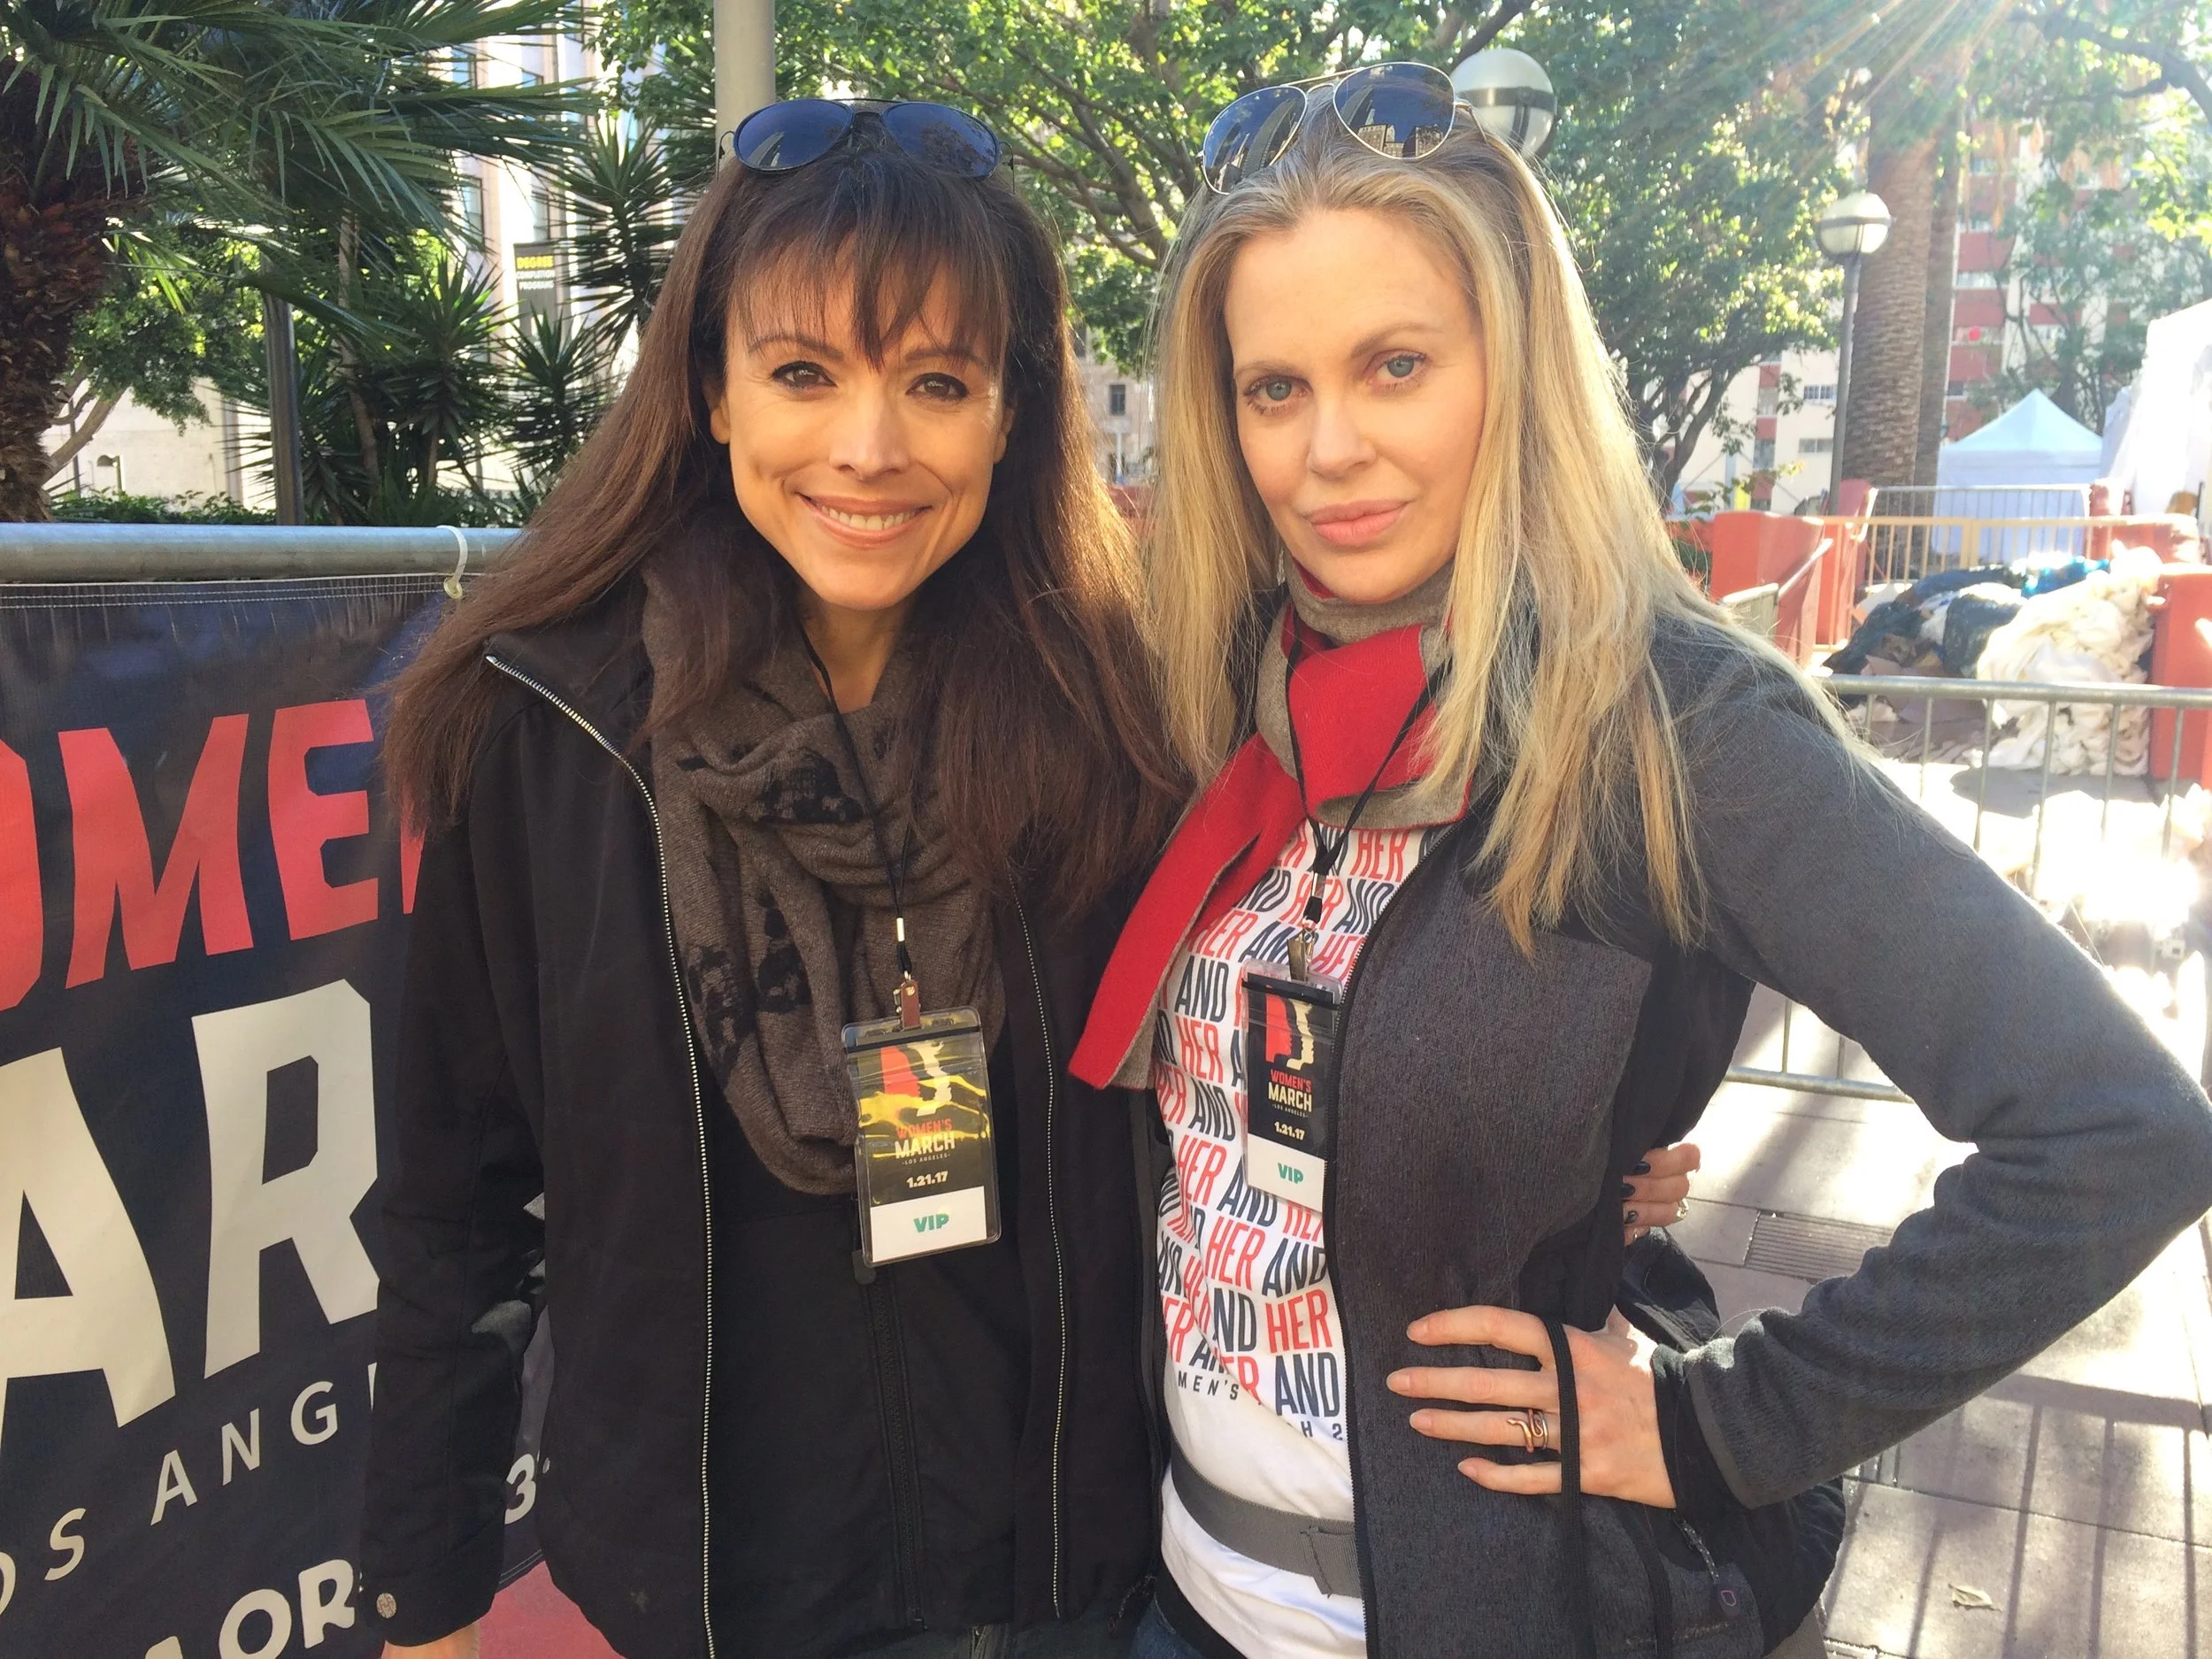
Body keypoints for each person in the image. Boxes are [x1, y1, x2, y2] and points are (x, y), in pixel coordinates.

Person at [1068, 65, 2212, 1659]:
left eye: (1396, 365)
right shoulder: (1229, 699)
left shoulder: (1671, 723)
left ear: (1515, 367)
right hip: (1184, 1595)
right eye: (1274, 388)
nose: (1328, 448)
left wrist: (1714, 1426)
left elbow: (2117, 1126)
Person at [362, 101, 1187, 1659]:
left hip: (1064, 1574)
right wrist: (425, 1596)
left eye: (937, 383)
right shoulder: (545, 731)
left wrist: (1614, 1161)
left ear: (1012, 415)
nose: (868, 448)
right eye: (804, 372)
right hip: (712, 1595)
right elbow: (455, 1195)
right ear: (712, 393)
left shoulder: (1110, 723)